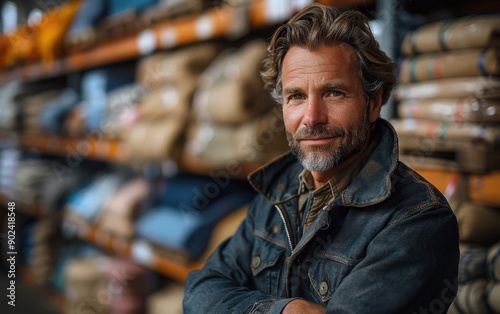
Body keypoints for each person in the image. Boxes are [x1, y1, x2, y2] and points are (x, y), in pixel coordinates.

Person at [183, 3, 459, 314]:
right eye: (296, 96)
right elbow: (200, 290)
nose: (312, 118)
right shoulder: (279, 189)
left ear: (373, 103)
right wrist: (286, 311)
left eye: (334, 93)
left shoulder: (415, 219)